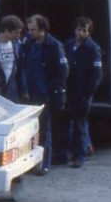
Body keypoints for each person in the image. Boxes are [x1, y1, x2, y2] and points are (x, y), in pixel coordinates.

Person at [18, 14, 68, 175]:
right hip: (29, 93)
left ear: (42, 30)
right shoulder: (29, 43)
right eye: (29, 29)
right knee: (28, 129)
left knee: (44, 128)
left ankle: (44, 163)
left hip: (44, 94)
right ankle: (30, 162)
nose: (29, 32)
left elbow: (63, 71)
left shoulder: (54, 46)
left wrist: (51, 88)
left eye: (33, 30)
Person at [57, 16, 103, 168]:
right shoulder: (68, 45)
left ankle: (80, 156)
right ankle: (66, 153)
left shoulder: (92, 48)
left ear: (89, 32)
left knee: (79, 125)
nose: (81, 33)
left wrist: (87, 95)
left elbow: (96, 74)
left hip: (82, 92)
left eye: (84, 30)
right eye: (79, 29)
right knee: (66, 123)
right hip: (68, 90)